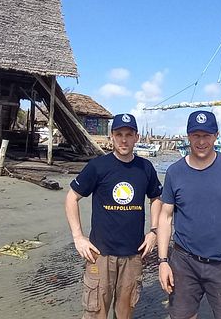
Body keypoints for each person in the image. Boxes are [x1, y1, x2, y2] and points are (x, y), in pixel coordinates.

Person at [157, 110, 221, 319]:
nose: (201, 142)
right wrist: (163, 261)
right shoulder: (175, 172)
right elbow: (165, 217)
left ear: (216, 135)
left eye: (207, 136)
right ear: (188, 136)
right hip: (184, 262)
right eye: (196, 135)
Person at [65, 113, 163, 319]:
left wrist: (154, 231)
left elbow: (156, 198)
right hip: (100, 253)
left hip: (133, 254)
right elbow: (71, 198)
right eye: (119, 134)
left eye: (129, 134)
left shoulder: (145, 167)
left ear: (137, 137)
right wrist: (78, 237)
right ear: (111, 136)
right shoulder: (98, 166)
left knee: (125, 311)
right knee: (96, 311)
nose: (124, 140)